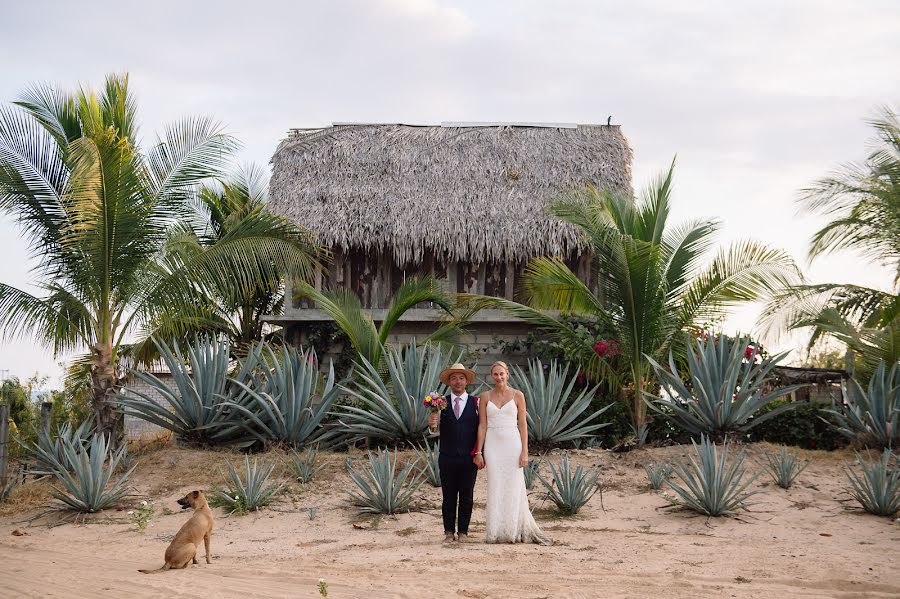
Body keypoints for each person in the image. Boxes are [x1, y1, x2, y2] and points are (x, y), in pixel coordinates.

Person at [475, 361, 550, 545]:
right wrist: (479, 451)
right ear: (491, 376)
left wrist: (525, 451)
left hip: (512, 444)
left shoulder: (518, 395)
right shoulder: (485, 396)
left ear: (507, 374)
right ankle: (495, 532)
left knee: (513, 485)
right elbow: (482, 425)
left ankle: (513, 530)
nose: (499, 377)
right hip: (492, 445)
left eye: (502, 374)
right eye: (495, 374)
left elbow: (523, 424)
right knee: (496, 484)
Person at [428, 362, 481, 544]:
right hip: (447, 456)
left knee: (467, 496)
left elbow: (482, 428)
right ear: (449, 382)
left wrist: (480, 453)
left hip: (469, 457)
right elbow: (434, 431)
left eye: (461, 378)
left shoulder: (477, 403)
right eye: (453, 378)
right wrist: (432, 423)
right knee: (448, 495)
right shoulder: (440, 403)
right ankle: (449, 531)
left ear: (466, 381)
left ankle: (464, 532)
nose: (457, 381)